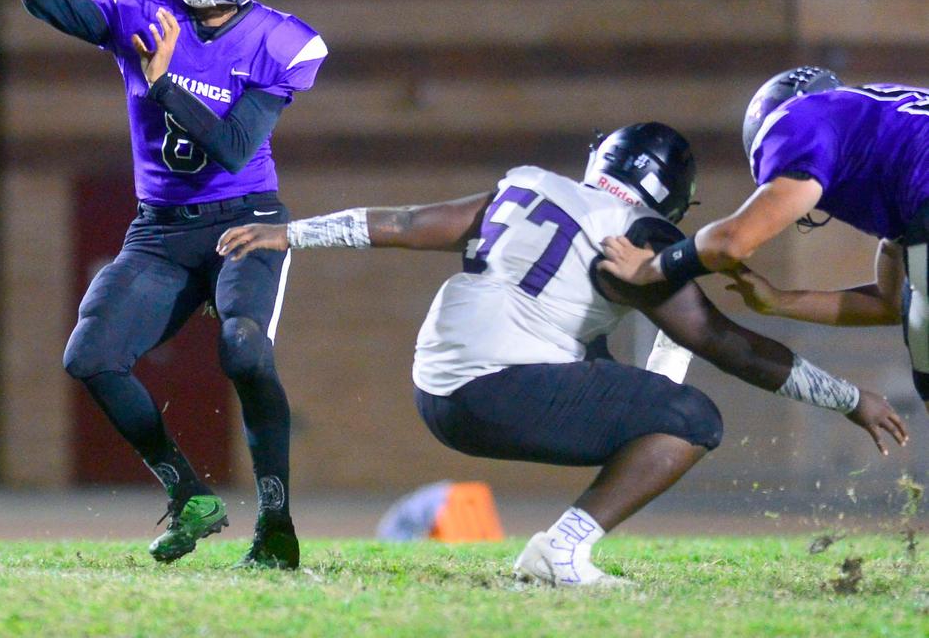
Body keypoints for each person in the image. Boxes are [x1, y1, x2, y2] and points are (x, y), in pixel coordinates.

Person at [214, 122, 908, 587]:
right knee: (693, 416)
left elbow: (405, 223)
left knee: (614, 349)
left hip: (437, 387)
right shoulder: (636, 232)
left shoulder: (527, 184)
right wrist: (851, 397)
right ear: (669, 192)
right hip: (496, 386)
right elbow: (724, 343)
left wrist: (293, 233)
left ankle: (568, 539)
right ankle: (562, 548)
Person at [0, 0, 328, 569]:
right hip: (159, 229)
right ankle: (189, 493)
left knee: (244, 347)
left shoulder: (276, 40)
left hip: (244, 220)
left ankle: (277, 523)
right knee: (90, 355)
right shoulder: (140, 4)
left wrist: (162, 85)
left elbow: (230, 146)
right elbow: (50, 3)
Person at [598, 67, 929, 414]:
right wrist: (778, 301)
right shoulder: (888, 134)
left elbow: (733, 242)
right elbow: (888, 305)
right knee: (916, 318)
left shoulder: (796, 120)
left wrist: (653, 267)